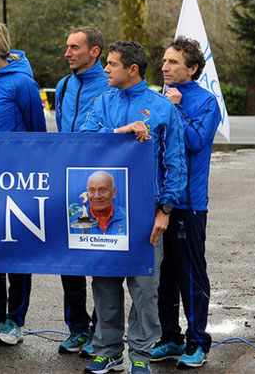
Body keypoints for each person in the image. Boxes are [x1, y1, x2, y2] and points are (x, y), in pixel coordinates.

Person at [81, 40, 185, 374]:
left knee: (144, 288)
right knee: (105, 282)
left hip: (145, 212)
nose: (106, 69)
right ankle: (107, 351)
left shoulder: (162, 108)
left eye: (111, 64)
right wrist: (119, 132)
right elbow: (84, 139)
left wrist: (164, 210)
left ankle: (141, 355)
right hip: (102, 211)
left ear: (132, 69)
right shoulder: (102, 102)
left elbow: (175, 162)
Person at [0, 22, 46, 347]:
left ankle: (15, 321)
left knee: (16, 251)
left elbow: (37, 133)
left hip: (18, 181)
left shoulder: (23, 83)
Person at [150, 37, 220, 368]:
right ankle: (170, 337)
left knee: (189, 274)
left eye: (173, 62)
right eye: (164, 61)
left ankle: (198, 341)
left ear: (192, 68)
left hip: (189, 204)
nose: (165, 66)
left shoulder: (206, 102)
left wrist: (176, 106)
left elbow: (195, 141)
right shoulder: (157, 98)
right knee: (162, 274)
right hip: (160, 201)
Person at [54, 27, 109, 355]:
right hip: (72, 188)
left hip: (102, 187)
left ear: (95, 52)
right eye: (67, 46)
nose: (67, 53)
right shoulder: (63, 85)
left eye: (74, 47)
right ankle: (77, 327)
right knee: (71, 258)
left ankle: (102, 330)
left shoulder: (110, 86)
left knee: (99, 256)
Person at [70, 171, 127, 236]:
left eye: (103, 190)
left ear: (113, 192)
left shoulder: (127, 217)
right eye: (92, 190)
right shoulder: (72, 222)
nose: (97, 196)